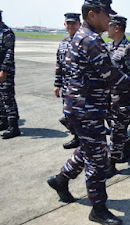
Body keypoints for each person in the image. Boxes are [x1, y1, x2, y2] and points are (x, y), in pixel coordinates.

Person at [47, 1, 130, 224]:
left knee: (89, 149)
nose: (109, 19)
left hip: (81, 106)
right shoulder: (91, 40)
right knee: (98, 160)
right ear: (92, 14)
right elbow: (112, 76)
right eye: (106, 14)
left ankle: (61, 179)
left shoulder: (81, 36)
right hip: (86, 108)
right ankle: (97, 208)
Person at [106, 15, 130, 172]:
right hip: (108, 96)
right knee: (115, 125)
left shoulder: (129, 49)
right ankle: (128, 150)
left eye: (109, 26)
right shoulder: (109, 47)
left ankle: (111, 163)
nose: (106, 29)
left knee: (117, 129)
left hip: (123, 97)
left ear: (117, 28)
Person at [0, 8, 20, 139]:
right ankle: (4, 121)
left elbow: (9, 53)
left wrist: (4, 70)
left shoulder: (7, 33)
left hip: (4, 72)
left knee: (7, 98)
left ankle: (14, 126)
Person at [54, 13, 81, 149]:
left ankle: (82, 139)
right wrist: (57, 84)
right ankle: (77, 137)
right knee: (69, 114)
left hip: (80, 88)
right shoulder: (63, 43)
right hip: (66, 86)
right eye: (68, 23)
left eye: (73, 23)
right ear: (65, 25)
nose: (70, 26)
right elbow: (59, 65)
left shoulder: (84, 42)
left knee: (80, 115)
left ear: (79, 25)